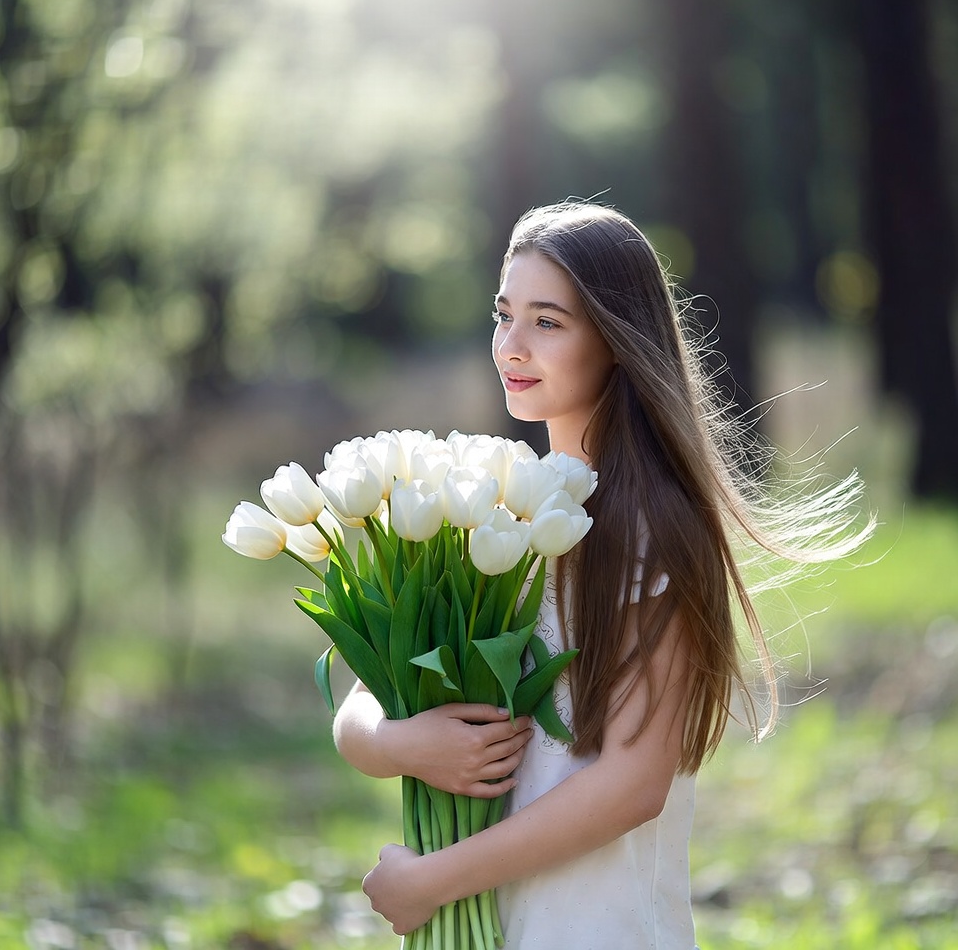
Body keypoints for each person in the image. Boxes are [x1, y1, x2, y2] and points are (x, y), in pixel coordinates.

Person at [333, 201, 874, 948]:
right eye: (504, 315)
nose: (512, 346)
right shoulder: (486, 510)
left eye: (548, 322)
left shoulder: (656, 534)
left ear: (617, 343)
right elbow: (360, 707)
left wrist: (433, 879)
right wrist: (401, 745)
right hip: (488, 930)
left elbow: (631, 787)